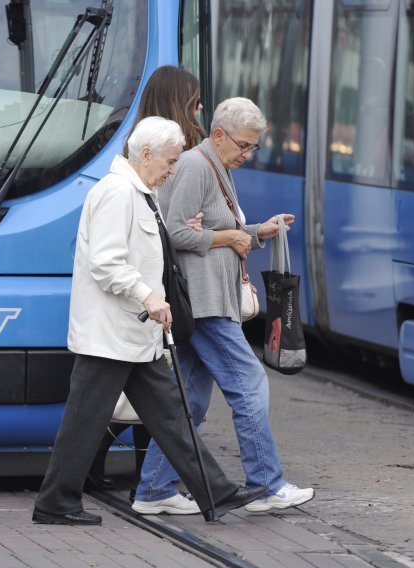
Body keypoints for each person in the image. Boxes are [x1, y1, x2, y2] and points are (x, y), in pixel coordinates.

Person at [32, 116, 266, 526]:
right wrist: (149, 297)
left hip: (135, 334)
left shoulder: (139, 192)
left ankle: (216, 493)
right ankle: (55, 503)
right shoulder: (118, 193)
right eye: (171, 162)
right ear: (145, 154)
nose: (173, 170)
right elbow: (106, 263)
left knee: (173, 417)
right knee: (86, 420)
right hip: (111, 334)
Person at [132, 98, 315, 514]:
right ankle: (266, 485)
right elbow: (177, 234)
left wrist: (256, 232)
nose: (248, 155)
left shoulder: (215, 165)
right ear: (218, 134)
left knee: (191, 402)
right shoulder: (199, 166)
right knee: (249, 385)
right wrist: (229, 238)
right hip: (205, 299)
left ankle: (154, 491)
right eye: (244, 145)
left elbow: (218, 229)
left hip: (208, 297)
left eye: (254, 147)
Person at [87, 65, 208, 497]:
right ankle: (158, 485)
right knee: (150, 401)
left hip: (143, 308)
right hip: (138, 306)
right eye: (195, 102)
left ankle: (201, 488)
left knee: (156, 403)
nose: (201, 110)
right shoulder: (132, 180)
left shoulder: (142, 167)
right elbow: (112, 256)